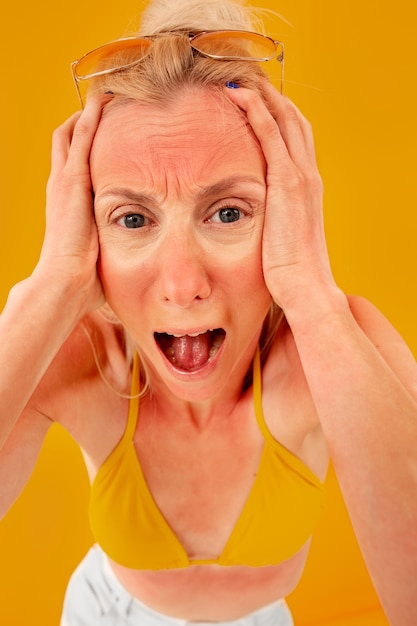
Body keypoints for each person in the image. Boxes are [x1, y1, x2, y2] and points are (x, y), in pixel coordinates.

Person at [0, 0, 416, 624]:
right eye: (132, 218)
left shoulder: (333, 345)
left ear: (287, 213)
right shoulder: (74, 357)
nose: (182, 285)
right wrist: (50, 288)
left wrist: (309, 288)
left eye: (228, 212)